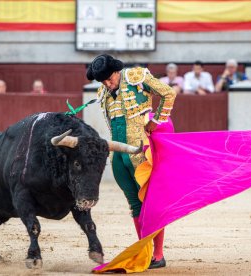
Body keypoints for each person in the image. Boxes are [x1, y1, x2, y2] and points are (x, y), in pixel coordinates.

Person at [87, 54, 176, 269]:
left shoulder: (136, 76)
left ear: (117, 71)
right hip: (118, 156)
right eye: (103, 81)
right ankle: (143, 252)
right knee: (135, 205)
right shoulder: (103, 92)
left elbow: (168, 93)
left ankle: (158, 254)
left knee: (150, 202)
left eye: (109, 78)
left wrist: (156, 122)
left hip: (141, 153)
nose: (108, 84)